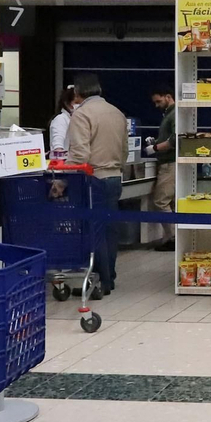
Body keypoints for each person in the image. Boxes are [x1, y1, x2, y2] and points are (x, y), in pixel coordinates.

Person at [66, 73, 128, 299]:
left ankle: (100, 280)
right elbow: (124, 152)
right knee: (110, 231)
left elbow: (80, 154)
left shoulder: (81, 114)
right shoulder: (117, 112)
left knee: (95, 232)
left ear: (77, 92)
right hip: (114, 177)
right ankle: (109, 276)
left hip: (94, 179)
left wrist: (62, 180)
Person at [149, 86, 176, 252]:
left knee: (161, 201)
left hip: (170, 164)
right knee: (170, 202)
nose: (156, 105)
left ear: (168, 96)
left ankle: (172, 238)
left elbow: (174, 140)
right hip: (168, 163)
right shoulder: (169, 114)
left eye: (159, 101)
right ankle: (171, 236)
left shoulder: (174, 114)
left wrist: (156, 148)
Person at [47, 85, 76, 155]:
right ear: (67, 103)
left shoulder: (76, 119)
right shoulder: (60, 119)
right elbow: (57, 144)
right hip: (64, 163)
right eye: (76, 102)